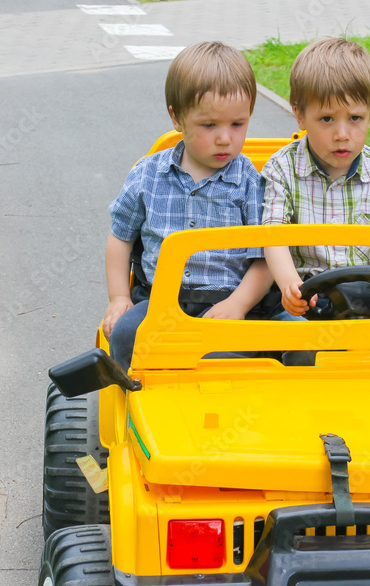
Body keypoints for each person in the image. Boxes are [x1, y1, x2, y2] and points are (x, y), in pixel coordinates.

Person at [102, 42, 273, 368]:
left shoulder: (251, 180)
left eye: (237, 124)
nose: (225, 138)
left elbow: (266, 257)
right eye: (209, 125)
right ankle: (137, 404)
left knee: (228, 357)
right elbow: (120, 236)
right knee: (125, 335)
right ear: (177, 117)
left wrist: (238, 305)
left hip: (227, 301)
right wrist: (119, 297)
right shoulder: (148, 174)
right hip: (159, 302)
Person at [262, 37, 370, 318]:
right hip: (307, 300)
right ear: (300, 115)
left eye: (355, 118)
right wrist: (290, 287)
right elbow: (273, 237)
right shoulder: (282, 168)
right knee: (297, 341)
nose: (342, 134)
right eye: (327, 119)